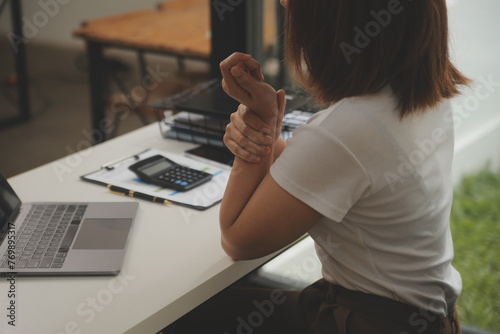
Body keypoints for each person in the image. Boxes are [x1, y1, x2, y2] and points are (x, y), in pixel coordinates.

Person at [163, 0, 469, 333]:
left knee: (181, 320)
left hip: (371, 321)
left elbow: (238, 240)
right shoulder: (420, 96)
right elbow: (319, 170)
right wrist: (265, 133)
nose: (284, 2)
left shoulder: (350, 127)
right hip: (428, 319)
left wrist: (258, 131)